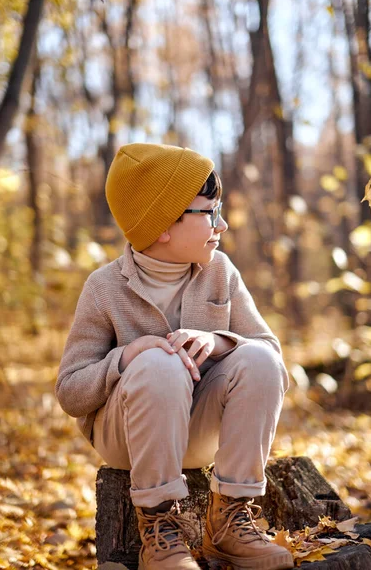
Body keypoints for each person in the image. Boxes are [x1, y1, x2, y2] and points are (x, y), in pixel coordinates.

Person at [56, 143, 293, 570]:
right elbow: (71, 392)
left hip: (197, 428)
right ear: (164, 224)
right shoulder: (104, 287)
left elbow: (273, 358)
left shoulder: (221, 272)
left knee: (258, 358)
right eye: (209, 212)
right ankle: (159, 529)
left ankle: (231, 520)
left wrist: (218, 342)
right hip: (128, 438)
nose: (221, 224)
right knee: (158, 362)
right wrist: (127, 356)